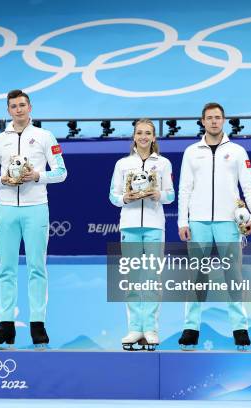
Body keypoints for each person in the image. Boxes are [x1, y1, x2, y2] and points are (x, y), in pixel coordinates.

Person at [0, 89, 67, 349]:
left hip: (36, 208)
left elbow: (62, 172)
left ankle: (37, 324)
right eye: (13, 106)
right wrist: (2, 180)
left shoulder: (44, 136)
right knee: (6, 269)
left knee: (36, 267)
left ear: (30, 107)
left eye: (22, 105)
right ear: (8, 110)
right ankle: (6, 325)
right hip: (6, 208)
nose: (18, 110)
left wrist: (37, 176)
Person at [177, 102, 251, 350]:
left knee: (233, 276)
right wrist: (183, 220)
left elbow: (248, 186)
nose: (214, 121)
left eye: (218, 117)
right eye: (209, 118)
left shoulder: (237, 151)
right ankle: (191, 328)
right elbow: (184, 189)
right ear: (202, 121)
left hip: (228, 223)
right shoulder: (191, 151)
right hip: (198, 222)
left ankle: (240, 328)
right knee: (196, 277)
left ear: (223, 121)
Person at [109, 119, 174, 351]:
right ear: (134, 137)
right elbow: (113, 196)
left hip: (155, 226)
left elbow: (171, 195)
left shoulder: (164, 164)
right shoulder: (122, 164)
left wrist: (159, 195)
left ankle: (151, 329)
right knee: (133, 280)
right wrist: (125, 198)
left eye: (148, 133)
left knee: (152, 279)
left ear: (154, 137)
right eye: (140, 133)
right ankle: (135, 328)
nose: (144, 137)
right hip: (129, 226)